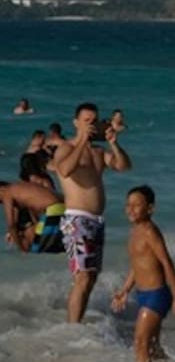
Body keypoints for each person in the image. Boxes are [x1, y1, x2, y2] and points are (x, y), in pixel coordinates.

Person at [49, 103, 132, 322]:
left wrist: (114, 144)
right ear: (76, 123)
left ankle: (76, 323)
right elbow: (64, 170)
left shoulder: (98, 152)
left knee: (91, 277)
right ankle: (72, 328)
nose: (91, 125)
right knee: (83, 277)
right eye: (86, 121)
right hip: (76, 219)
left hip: (96, 221)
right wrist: (82, 141)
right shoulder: (65, 148)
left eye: (94, 121)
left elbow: (124, 166)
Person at [110, 185, 175, 362]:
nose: (131, 209)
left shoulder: (150, 232)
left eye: (137, 205)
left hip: (157, 295)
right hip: (143, 294)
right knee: (152, 346)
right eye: (128, 205)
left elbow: (166, 262)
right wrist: (124, 290)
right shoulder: (134, 231)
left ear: (150, 208)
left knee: (140, 342)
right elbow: (137, 266)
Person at [1, 179, 65, 253]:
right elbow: (16, 220)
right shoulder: (20, 188)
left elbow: (11, 224)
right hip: (62, 207)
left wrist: (22, 249)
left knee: (36, 250)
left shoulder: (7, 193)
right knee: (57, 247)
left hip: (52, 211)